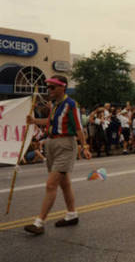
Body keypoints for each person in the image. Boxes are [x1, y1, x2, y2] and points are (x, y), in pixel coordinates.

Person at [24, 75, 91, 235]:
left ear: (63, 87)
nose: (49, 90)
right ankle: (72, 214)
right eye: (48, 87)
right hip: (52, 144)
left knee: (51, 184)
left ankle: (39, 222)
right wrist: (34, 121)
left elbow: (79, 128)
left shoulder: (71, 104)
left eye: (53, 87)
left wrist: (85, 147)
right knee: (64, 183)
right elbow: (50, 122)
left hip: (65, 145)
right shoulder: (55, 105)